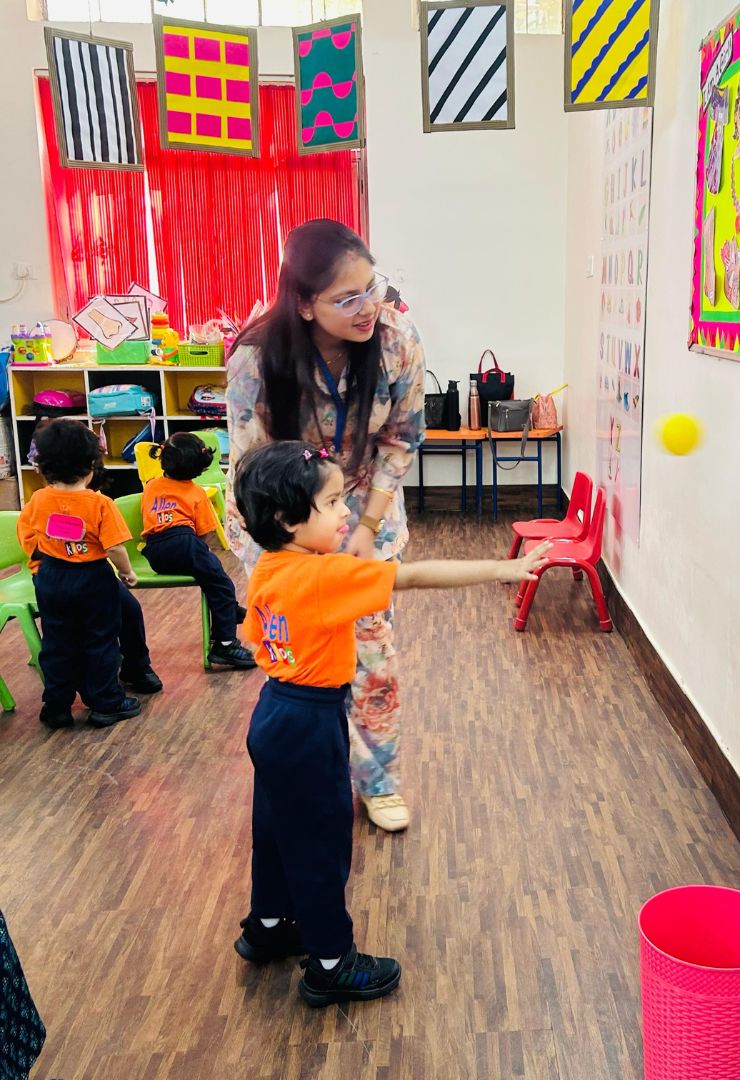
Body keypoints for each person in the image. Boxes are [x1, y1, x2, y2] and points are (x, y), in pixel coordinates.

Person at [230, 442, 549, 1006]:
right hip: (309, 723)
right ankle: (331, 964)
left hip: (273, 711)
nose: (346, 513)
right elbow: (414, 576)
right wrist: (502, 567)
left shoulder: (269, 569)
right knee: (321, 843)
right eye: (333, 503)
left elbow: (255, 639)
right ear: (286, 519)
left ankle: (269, 926)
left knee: (276, 827)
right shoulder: (325, 575)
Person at [227, 218, 425, 832]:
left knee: (370, 651)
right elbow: (254, 465)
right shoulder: (256, 355)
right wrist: (294, 549)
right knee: (303, 659)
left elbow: (401, 439)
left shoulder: (395, 339)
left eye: (372, 288)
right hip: (282, 517)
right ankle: (310, 773)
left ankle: (378, 781)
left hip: (362, 506)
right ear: (305, 303)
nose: (368, 308)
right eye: (347, 298)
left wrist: (363, 528)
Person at [16, 419, 142, 728]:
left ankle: (57, 707)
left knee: (57, 642)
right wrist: (127, 573)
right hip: (93, 579)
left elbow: (28, 536)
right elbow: (115, 548)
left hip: (52, 578)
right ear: (91, 466)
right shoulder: (100, 504)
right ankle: (106, 703)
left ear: (43, 467)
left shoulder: (38, 500)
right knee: (101, 640)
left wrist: (45, 560)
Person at [141, 433, 255, 670]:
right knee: (222, 584)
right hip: (185, 543)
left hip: (155, 552)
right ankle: (224, 644)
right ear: (198, 468)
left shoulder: (151, 485)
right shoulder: (197, 493)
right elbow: (203, 534)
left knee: (214, 579)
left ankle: (229, 609)